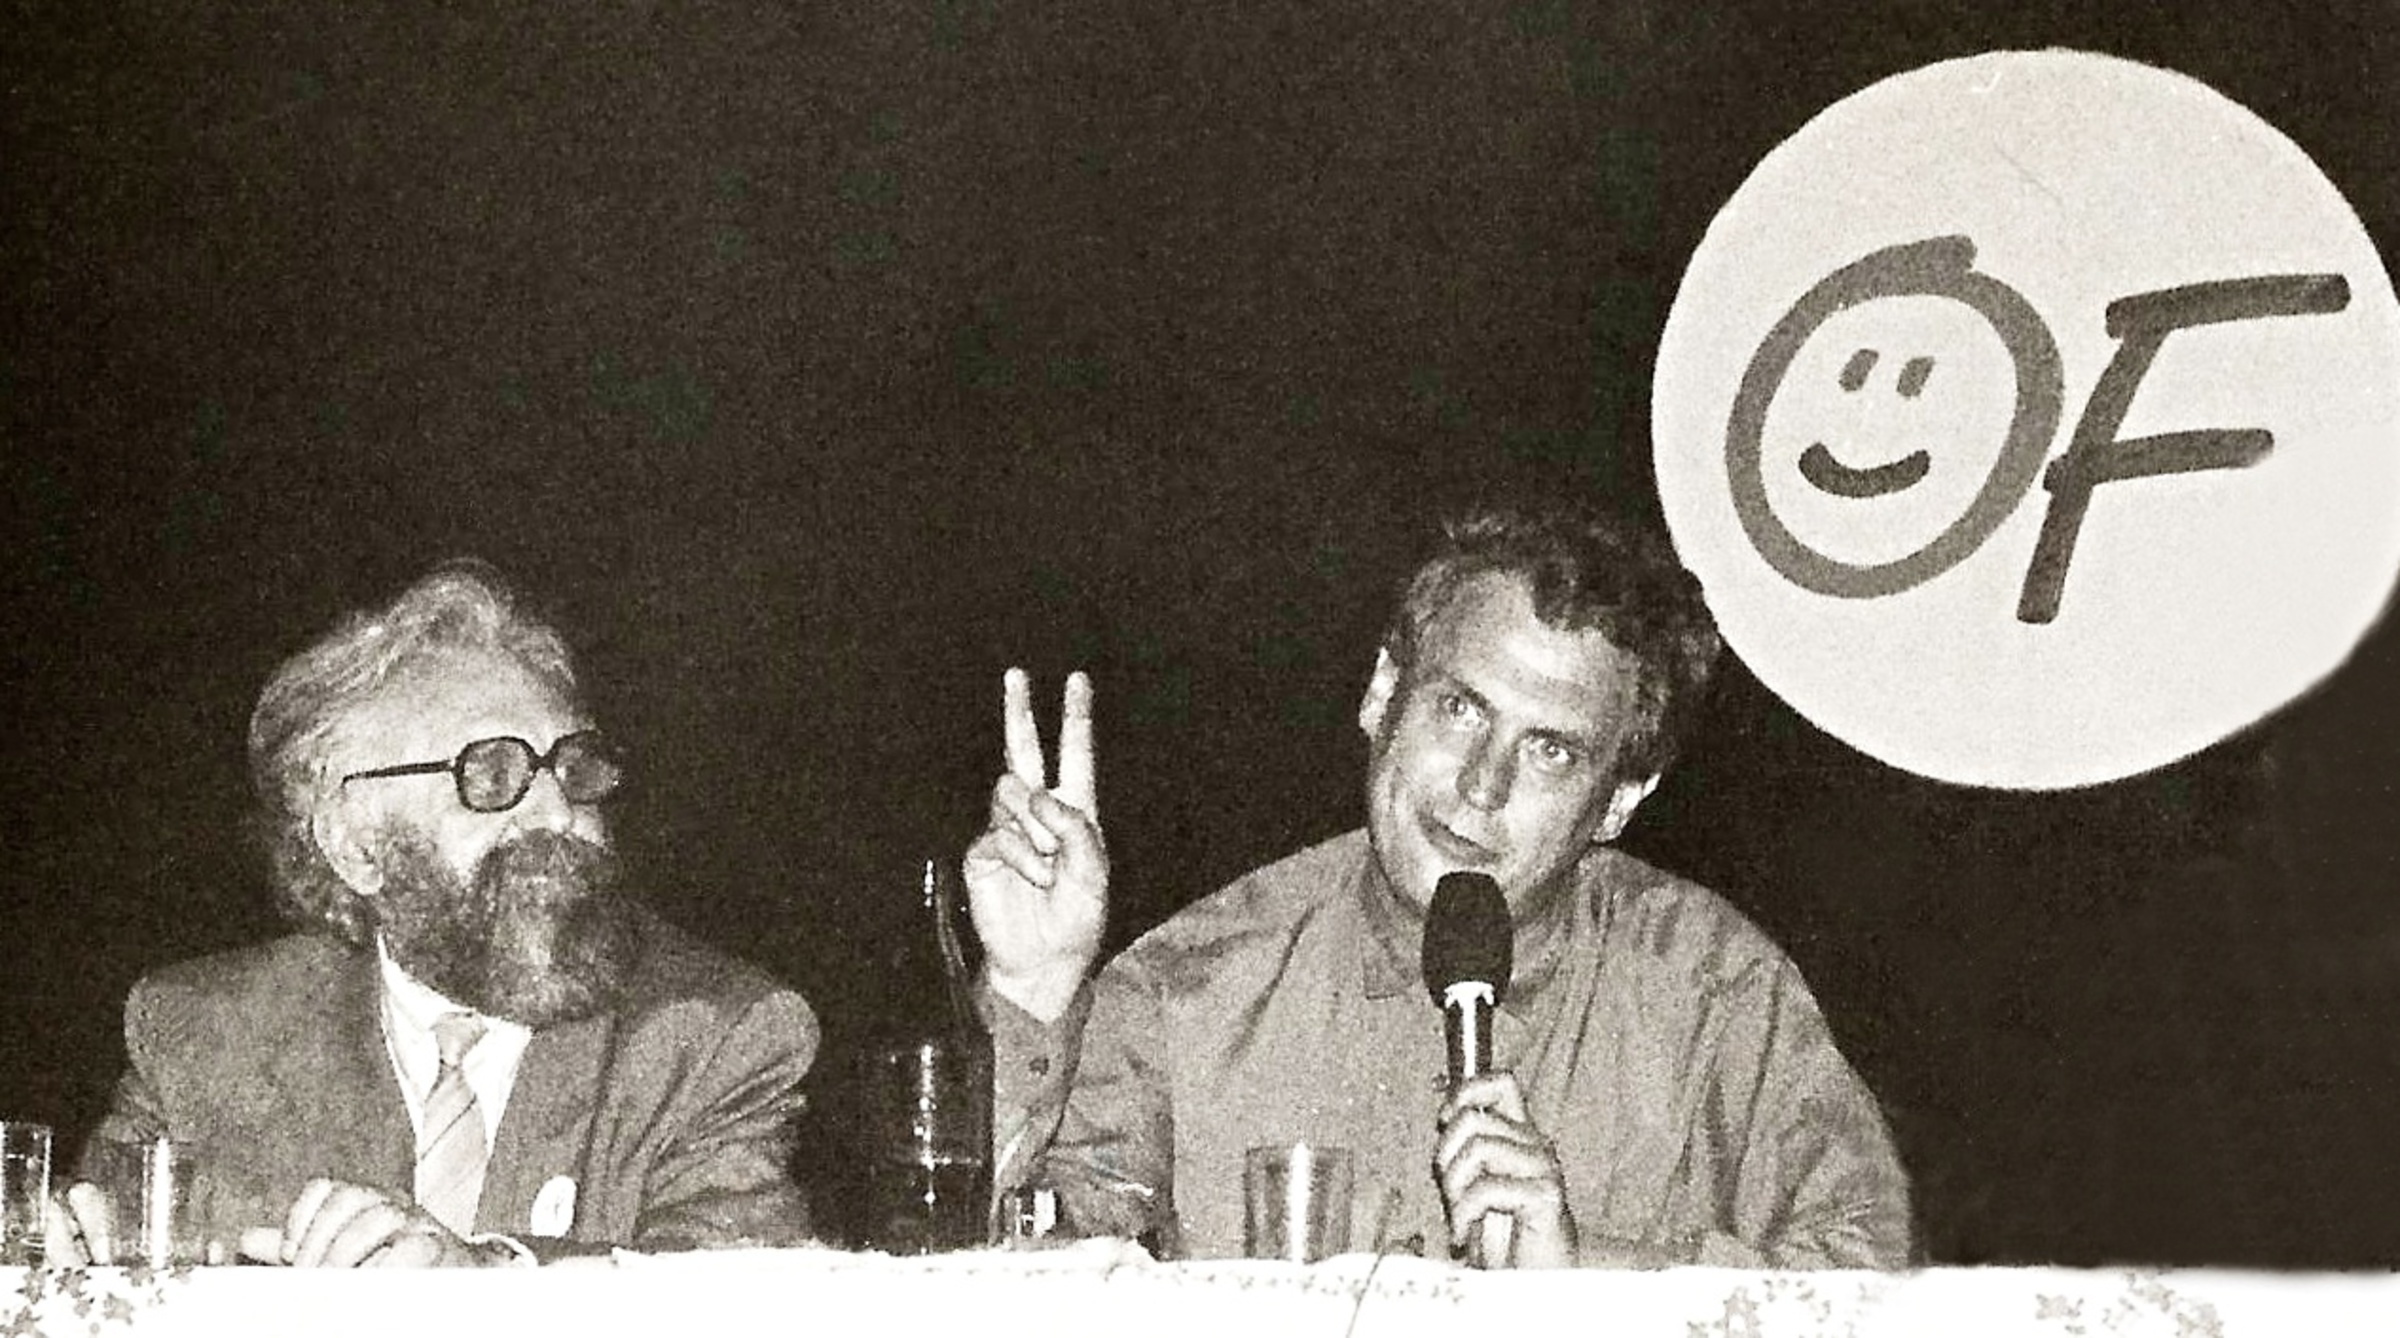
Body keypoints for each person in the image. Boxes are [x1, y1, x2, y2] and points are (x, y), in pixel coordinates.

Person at [965, 503, 1912, 1267]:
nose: (1481, 786)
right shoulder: (1193, 987)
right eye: (1460, 708)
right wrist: (1031, 993)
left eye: (1550, 751)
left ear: (1620, 800)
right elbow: (1002, 1273)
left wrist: (1587, 1280)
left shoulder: (1716, 995)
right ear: (1383, 694)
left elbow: (1878, 1293)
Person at [50, 561, 817, 1267]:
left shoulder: (715, 1035)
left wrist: (483, 1280)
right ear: (356, 845)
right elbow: (99, 1265)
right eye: (492, 774)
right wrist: (50, 1259)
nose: (558, 813)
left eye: (574, 768)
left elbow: (736, 1296)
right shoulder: (204, 1035)